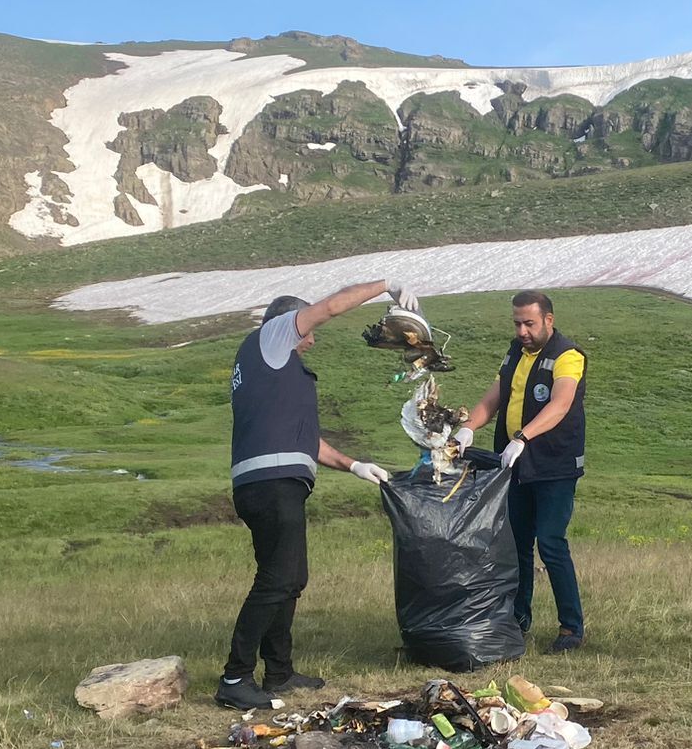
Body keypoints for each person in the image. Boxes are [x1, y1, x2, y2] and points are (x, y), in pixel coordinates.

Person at [216, 279, 415, 711]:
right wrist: (388, 286)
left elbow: (304, 440)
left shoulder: (269, 368)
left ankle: (280, 672)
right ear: (289, 323)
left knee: (290, 577)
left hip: (273, 482)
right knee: (276, 579)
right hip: (270, 484)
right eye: (305, 330)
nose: (311, 340)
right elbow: (329, 307)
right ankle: (235, 677)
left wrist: (354, 465)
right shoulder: (270, 339)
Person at [455, 290, 587, 652]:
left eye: (529, 323)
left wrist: (523, 437)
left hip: (554, 465)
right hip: (514, 464)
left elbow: (560, 404)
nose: (523, 331)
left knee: (550, 541)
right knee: (516, 544)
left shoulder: (567, 356)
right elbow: (494, 397)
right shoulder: (515, 352)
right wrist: (468, 427)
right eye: (517, 323)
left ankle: (571, 628)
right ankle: (518, 619)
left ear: (549, 319)